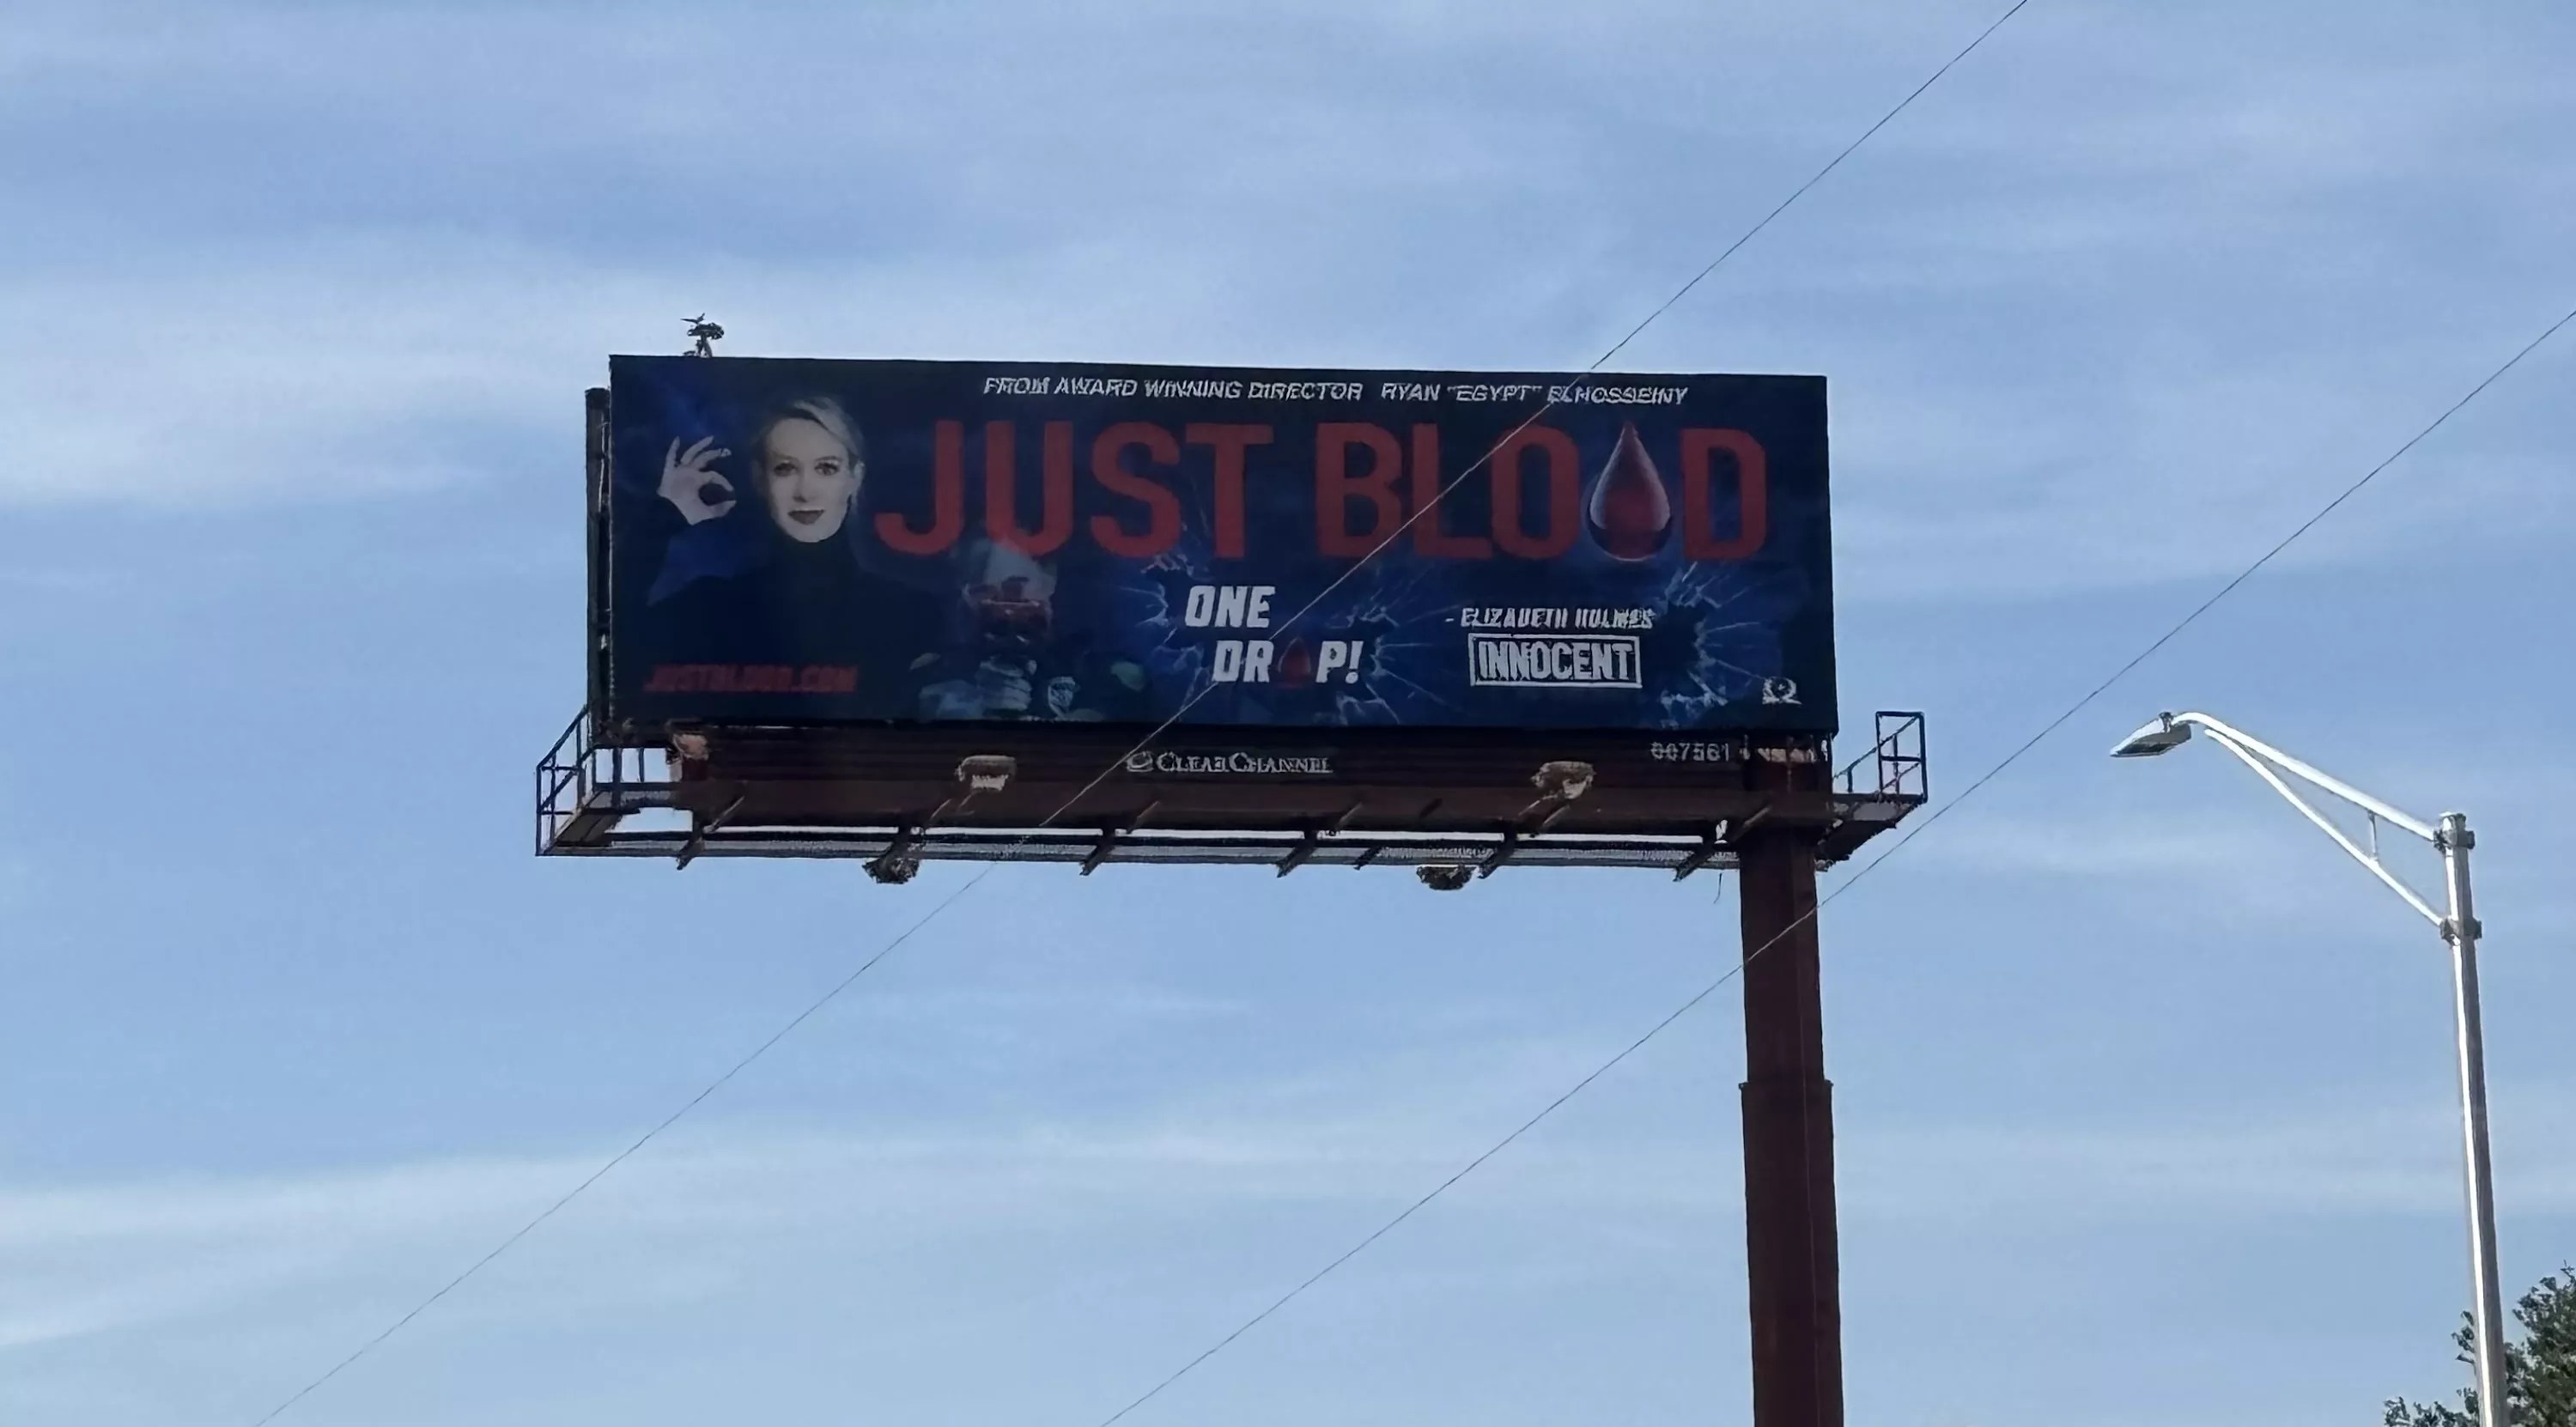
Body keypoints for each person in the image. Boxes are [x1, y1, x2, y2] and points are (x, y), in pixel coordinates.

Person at [641, 397, 951, 714]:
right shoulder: (712, 606)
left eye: (826, 468)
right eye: (785, 469)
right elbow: (621, 651)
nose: (805, 491)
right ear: (760, 479)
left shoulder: (914, 613)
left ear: (855, 477)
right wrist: (666, 515)